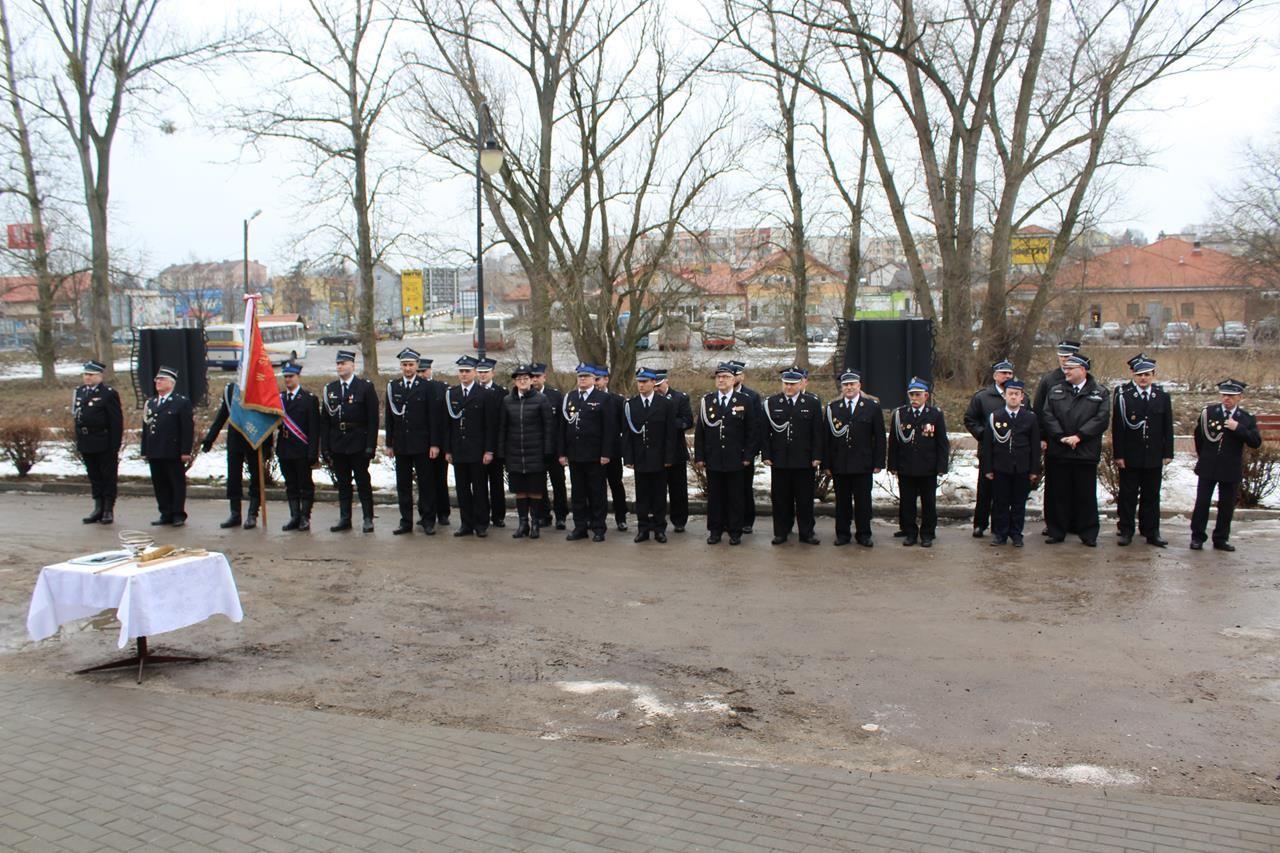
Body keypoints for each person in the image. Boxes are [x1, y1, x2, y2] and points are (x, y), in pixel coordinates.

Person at [1040, 353, 1109, 546]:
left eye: (1071, 368)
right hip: (1059, 450)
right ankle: (1056, 531)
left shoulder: (1100, 392)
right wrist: (1061, 436)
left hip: (1085, 452)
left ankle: (1088, 533)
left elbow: (1101, 419)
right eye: (1066, 368)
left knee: (1085, 495)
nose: (1066, 371)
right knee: (1058, 494)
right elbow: (1047, 415)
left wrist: (1079, 436)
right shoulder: (1055, 391)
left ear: (1083, 370)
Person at [1190, 379, 1262, 551]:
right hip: (1209, 465)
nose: (1227, 399)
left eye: (1231, 396)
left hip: (1230, 467)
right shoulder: (1209, 412)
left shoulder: (1245, 418)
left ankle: (1221, 538)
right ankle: (1197, 537)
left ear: (1240, 397)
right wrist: (1205, 456)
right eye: (1224, 395)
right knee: (1202, 503)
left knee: (1226, 505)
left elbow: (1255, 442)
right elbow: (1199, 436)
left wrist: (1238, 428)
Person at [1111, 354, 1174, 547]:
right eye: (1139, 375)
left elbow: (1167, 427)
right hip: (1131, 455)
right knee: (1128, 494)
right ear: (1133, 375)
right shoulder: (1124, 396)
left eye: (1147, 374)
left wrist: (1167, 452)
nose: (1143, 378)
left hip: (1153, 455)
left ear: (1153, 375)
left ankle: (1151, 531)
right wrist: (1119, 454)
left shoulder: (1161, 396)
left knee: (1151, 495)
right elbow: (1118, 428)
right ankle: (1126, 529)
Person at [694, 363, 758, 545]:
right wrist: (699, 456)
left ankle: (735, 531)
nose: (721, 380)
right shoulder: (708, 401)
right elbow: (701, 431)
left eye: (725, 377)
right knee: (715, 497)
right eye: (718, 377)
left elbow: (752, 431)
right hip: (714, 458)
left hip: (736, 458)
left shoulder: (744, 401)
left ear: (733, 379)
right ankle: (715, 530)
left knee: (735, 497)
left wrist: (748, 456)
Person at [821, 369, 885, 547]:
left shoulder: (872, 407)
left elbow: (879, 437)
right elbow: (826, 439)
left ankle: (864, 534)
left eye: (852, 384)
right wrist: (826, 464)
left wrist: (879, 462)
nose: (849, 388)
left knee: (863, 502)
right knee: (842, 502)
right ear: (841, 387)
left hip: (863, 463)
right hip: (840, 463)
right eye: (845, 385)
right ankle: (842, 534)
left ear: (859, 386)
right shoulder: (833, 408)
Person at [761, 366, 824, 546]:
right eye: (786, 384)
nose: (789, 387)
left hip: (804, 460)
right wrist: (766, 454)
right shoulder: (772, 403)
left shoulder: (811, 402)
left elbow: (817, 433)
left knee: (804, 500)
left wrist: (817, 455)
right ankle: (781, 532)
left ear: (800, 384)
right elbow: (764, 433)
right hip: (779, 459)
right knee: (780, 499)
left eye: (793, 384)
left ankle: (806, 532)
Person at [202, 381, 275, 530]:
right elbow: (223, 414)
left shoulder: (258, 385)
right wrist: (210, 438)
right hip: (235, 438)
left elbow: (266, 416)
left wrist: (267, 445)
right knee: (233, 477)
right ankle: (235, 514)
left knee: (256, 477)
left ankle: (252, 514)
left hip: (254, 438)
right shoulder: (230, 389)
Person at [320, 349, 379, 533]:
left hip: (358, 442)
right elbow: (325, 421)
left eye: (343, 363)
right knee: (343, 483)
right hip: (338, 442)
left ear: (352, 366)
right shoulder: (331, 389)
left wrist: (370, 445)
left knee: (362, 482)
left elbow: (373, 420)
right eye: (338, 364)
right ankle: (345, 518)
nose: (340, 367)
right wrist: (325, 447)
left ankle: (368, 518)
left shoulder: (364, 387)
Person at [887, 378, 950, 547]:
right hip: (906, 466)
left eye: (917, 395)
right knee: (907, 503)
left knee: (928, 503)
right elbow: (893, 442)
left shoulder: (935, 414)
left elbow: (942, 442)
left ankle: (927, 533)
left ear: (926, 396)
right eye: (911, 395)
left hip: (928, 467)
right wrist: (892, 465)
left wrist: (942, 466)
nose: (914, 398)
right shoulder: (900, 414)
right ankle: (910, 532)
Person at [497, 364, 556, 539]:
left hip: (535, 452)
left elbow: (548, 427)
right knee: (520, 489)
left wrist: (547, 451)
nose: (522, 382)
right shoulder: (508, 400)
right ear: (515, 381)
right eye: (519, 379)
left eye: (525, 379)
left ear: (531, 380)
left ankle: (535, 523)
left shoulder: (541, 399)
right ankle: (523, 523)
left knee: (535, 489)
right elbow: (503, 428)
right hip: (514, 452)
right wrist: (502, 452)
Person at [385, 347, 440, 535]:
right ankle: (405, 521)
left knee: (426, 484)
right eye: (404, 365)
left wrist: (434, 444)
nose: (407, 368)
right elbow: (389, 417)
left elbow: (433, 417)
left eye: (410, 365)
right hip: (401, 443)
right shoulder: (394, 387)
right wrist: (389, 443)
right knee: (403, 484)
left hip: (422, 443)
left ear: (417, 366)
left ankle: (428, 520)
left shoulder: (426, 386)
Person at [623, 367, 681, 543]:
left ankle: (659, 528)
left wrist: (669, 458)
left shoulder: (665, 404)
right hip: (640, 457)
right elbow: (627, 435)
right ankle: (643, 528)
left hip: (659, 457)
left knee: (659, 495)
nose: (641, 385)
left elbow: (671, 434)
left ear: (653, 383)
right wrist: (628, 458)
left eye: (644, 382)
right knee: (642, 495)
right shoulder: (631, 405)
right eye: (639, 382)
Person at [981, 378, 1040, 547]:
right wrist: (988, 468)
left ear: (1022, 397)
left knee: (1018, 503)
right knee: (1000, 502)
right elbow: (988, 446)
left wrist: (1034, 469)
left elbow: (1035, 446)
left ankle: (1016, 534)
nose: (1013, 397)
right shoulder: (995, 416)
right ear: (1005, 396)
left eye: (1017, 394)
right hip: (1001, 467)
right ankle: (1000, 534)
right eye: (1010, 394)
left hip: (1021, 468)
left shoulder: (1030, 418)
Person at [443, 356, 498, 537]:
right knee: (462, 489)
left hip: (478, 449)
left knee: (480, 488)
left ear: (474, 372)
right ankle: (466, 523)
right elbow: (449, 425)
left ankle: (481, 523)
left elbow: (490, 425)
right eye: (461, 371)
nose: (464, 374)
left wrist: (489, 450)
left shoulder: (485, 394)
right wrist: (448, 449)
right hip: (459, 449)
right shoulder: (452, 393)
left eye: (467, 371)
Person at [561, 364, 616, 542]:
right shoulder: (570, 397)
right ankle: (580, 526)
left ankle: (598, 527)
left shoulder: (603, 398)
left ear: (594, 379)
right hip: (575, 454)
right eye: (580, 376)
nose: (582, 379)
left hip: (595, 455)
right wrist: (562, 453)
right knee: (578, 493)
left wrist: (606, 453)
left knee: (596, 492)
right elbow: (563, 427)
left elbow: (609, 429)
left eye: (586, 376)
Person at [964, 359, 1015, 538]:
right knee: (986, 490)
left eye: (1010, 373)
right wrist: (984, 435)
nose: (1007, 376)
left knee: (1006, 492)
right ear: (995, 376)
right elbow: (970, 419)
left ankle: (1001, 526)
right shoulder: (983, 397)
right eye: (1003, 373)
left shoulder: (1019, 395)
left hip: (1011, 452)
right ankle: (980, 524)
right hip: (989, 451)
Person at [141, 366, 194, 527]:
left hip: (172, 449)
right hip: (155, 449)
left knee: (175, 483)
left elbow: (187, 428)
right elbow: (146, 427)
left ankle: (178, 513)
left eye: (161, 379)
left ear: (171, 383)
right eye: (157, 379)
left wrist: (185, 451)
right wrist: (145, 449)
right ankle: (165, 512)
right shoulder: (151, 402)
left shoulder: (181, 402)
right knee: (160, 483)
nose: (157, 382)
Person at [73, 359, 123, 525]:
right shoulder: (80, 392)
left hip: (104, 441)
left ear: (99, 376)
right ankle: (98, 507)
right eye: (85, 374)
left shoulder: (108, 393)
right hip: (87, 441)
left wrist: (114, 445)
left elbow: (116, 422)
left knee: (107, 476)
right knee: (94, 476)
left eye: (91, 375)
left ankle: (108, 509)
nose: (87, 377)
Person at [276, 362, 320, 531]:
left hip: (302, 450)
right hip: (285, 449)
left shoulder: (309, 399)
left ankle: (305, 517)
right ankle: (294, 516)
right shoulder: (279, 399)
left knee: (305, 485)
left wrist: (313, 452)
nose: (288, 380)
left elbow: (314, 429)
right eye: (285, 376)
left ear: (298, 377)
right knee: (291, 485)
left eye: (291, 376)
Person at [531, 363, 569, 530]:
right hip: (536, 449)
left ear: (544, 377)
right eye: (532, 377)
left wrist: (562, 451)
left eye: (537, 377)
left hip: (553, 449)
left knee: (558, 483)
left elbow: (562, 426)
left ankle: (561, 516)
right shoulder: (525, 396)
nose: (534, 380)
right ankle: (543, 514)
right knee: (538, 484)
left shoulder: (555, 396)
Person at [656, 369, 693, 533]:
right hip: (657, 452)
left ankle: (679, 520)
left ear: (666, 382)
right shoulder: (652, 400)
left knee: (678, 488)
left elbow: (688, 421)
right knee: (657, 489)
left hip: (676, 451)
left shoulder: (680, 398)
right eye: (654, 385)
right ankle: (657, 518)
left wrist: (669, 423)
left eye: (659, 385)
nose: (657, 389)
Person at [417, 357, 452, 528]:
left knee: (440, 478)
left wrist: (445, 444)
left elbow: (446, 419)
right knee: (424, 481)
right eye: (419, 371)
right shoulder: (415, 388)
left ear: (430, 370)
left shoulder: (442, 388)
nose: (422, 374)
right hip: (422, 441)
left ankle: (443, 512)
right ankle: (424, 511)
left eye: (424, 371)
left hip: (440, 440)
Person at [594, 365, 630, 531]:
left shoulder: (617, 400)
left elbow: (624, 427)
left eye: (598, 379)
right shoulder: (586, 399)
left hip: (613, 452)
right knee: (595, 487)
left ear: (606, 379)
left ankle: (621, 517)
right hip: (594, 451)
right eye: (593, 379)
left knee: (616, 484)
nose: (595, 383)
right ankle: (595, 518)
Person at [728, 360, 762, 534]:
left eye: (737, 374)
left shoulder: (752, 397)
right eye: (730, 374)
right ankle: (729, 520)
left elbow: (756, 426)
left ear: (742, 376)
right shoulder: (719, 395)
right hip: (727, 452)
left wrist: (751, 452)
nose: (734, 377)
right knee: (728, 489)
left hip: (744, 452)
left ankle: (747, 520)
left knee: (744, 487)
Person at [476, 357, 507, 528]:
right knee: (479, 483)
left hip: (495, 445)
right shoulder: (473, 391)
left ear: (492, 373)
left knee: (496, 483)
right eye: (480, 372)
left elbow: (503, 422)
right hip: (477, 446)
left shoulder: (501, 393)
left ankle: (498, 515)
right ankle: (482, 514)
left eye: (485, 372)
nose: (482, 375)